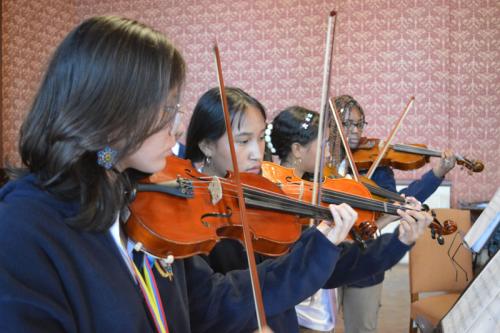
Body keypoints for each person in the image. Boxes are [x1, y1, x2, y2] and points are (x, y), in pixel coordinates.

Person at [0, 16, 358, 333]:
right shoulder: (23, 230)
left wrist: (317, 249)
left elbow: (212, 305)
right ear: (109, 111)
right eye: (168, 109)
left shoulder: (133, 199)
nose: (176, 128)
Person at [185, 88, 433, 333]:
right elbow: (212, 305)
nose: (256, 154)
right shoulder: (187, 218)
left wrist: (398, 241)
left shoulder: (263, 199)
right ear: (206, 146)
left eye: (260, 138)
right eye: (243, 141)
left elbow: (328, 269)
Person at [267, 106, 430, 333]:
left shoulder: (318, 189)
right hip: (296, 308)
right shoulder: (276, 198)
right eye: (323, 145)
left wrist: (386, 220)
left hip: (318, 302)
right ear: (297, 149)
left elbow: (344, 248)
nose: (327, 154)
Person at [330, 95, 457, 333]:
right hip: (324, 257)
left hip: (363, 253)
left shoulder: (377, 165)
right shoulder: (318, 162)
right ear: (331, 126)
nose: (355, 131)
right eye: (347, 124)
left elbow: (401, 201)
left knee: (362, 327)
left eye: (359, 123)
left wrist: (436, 173)